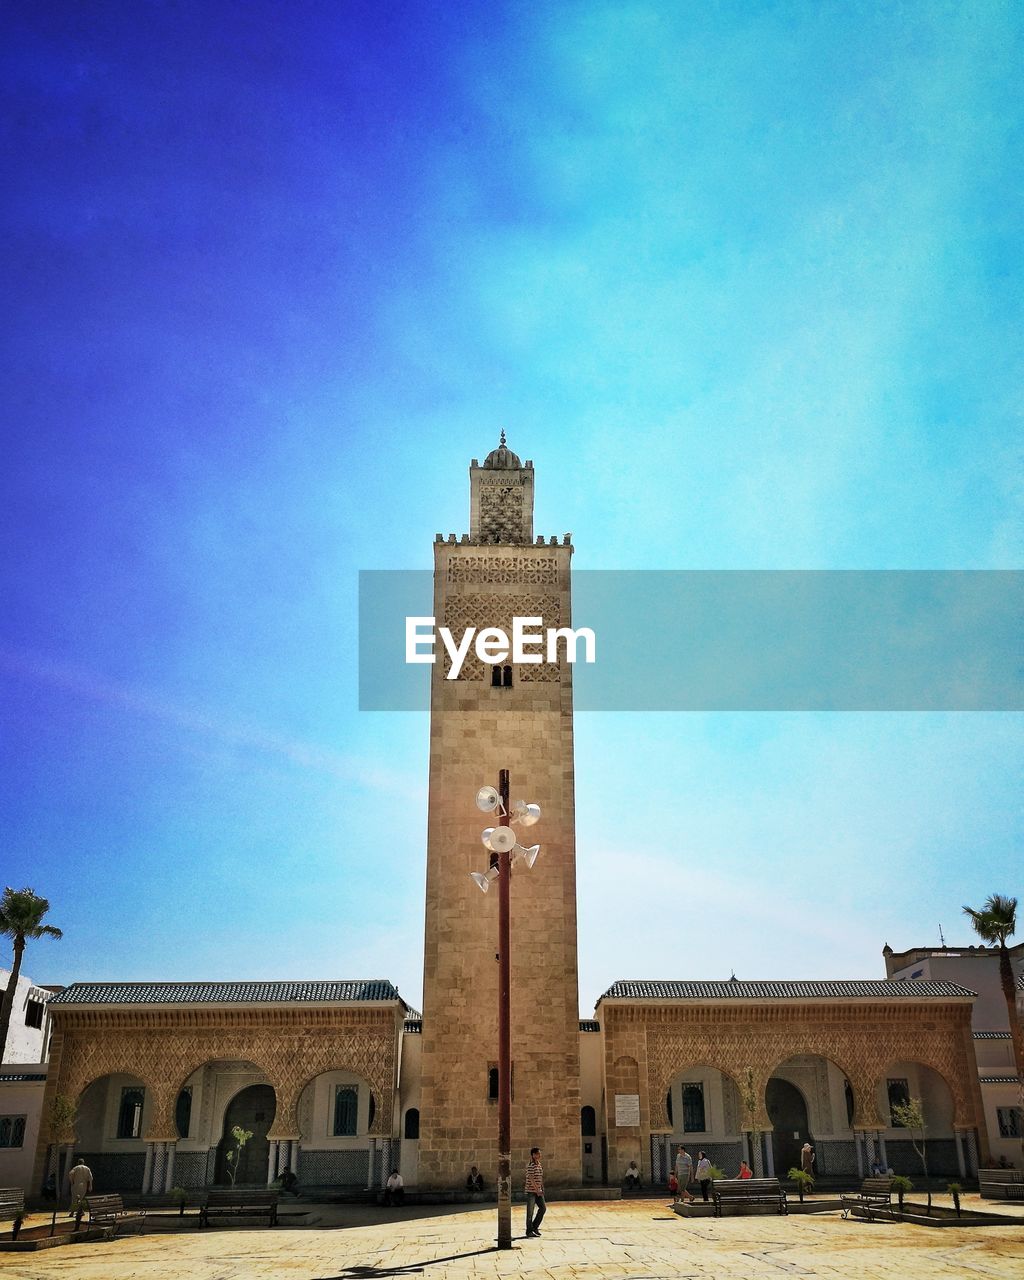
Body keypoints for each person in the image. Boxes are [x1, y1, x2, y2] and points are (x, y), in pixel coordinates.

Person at [525, 1147, 545, 1237]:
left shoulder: (539, 1165)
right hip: (531, 1191)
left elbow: (540, 1178)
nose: (539, 1155)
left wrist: (541, 1188)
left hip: (539, 1191)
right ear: (533, 1155)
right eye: (537, 1154)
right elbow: (531, 1178)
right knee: (530, 1212)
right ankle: (529, 1231)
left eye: (539, 1154)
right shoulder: (530, 1165)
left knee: (543, 1208)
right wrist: (537, 1189)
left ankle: (534, 1227)